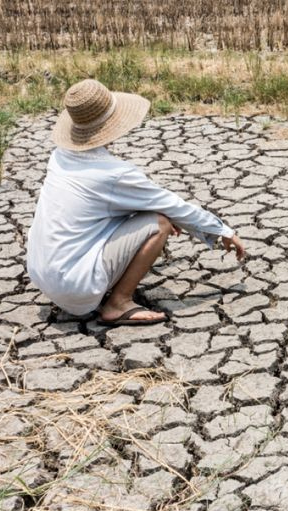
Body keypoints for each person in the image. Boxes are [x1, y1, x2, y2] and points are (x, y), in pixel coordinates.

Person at [27, 79, 245, 326]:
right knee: (160, 222)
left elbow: (99, 206)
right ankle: (118, 304)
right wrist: (223, 230)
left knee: (152, 213)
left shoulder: (60, 156)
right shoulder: (113, 173)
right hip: (75, 286)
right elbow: (172, 206)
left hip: (43, 274)